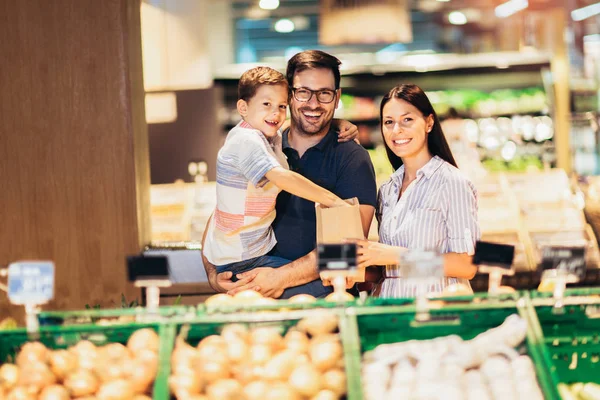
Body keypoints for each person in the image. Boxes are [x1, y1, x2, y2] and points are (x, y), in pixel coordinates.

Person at [202, 50, 377, 298]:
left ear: (336, 98)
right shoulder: (267, 144)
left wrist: (280, 277)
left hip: (319, 303)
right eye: (304, 92)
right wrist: (213, 274)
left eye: (324, 93)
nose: (314, 104)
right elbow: (223, 213)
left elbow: (350, 249)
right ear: (291, 96)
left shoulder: (352, 158)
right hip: (252, 292)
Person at [355, 84, 480, 298]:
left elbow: (466, 266)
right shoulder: (387, 189)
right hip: (389, 313)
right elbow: (390, 268)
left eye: (407, 120)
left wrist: (396, 256)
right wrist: (363, 266)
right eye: (389, 122)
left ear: (429, 122)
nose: (397, 130)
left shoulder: (453, 183)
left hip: (434, 310)